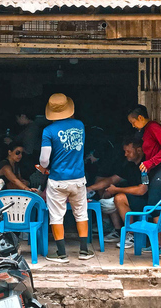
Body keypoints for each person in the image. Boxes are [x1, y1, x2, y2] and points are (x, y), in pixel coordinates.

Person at [36, 93, 92, 262]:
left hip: (58, 180)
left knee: (56, 216)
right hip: (78, 179)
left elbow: (44, 160)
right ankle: (84, 251)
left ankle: (61, 254)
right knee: (81, 214)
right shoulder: (80, 125)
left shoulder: (48, 131)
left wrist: (42, 167)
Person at [126, 104, 161, 256]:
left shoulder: (153, 127)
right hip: (156, 171)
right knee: (153, 207)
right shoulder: (146, 130)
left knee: (155, 209)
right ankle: (159, 244)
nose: (133, 125)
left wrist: (151, 162)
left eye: (133, 122)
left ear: (140, 118)